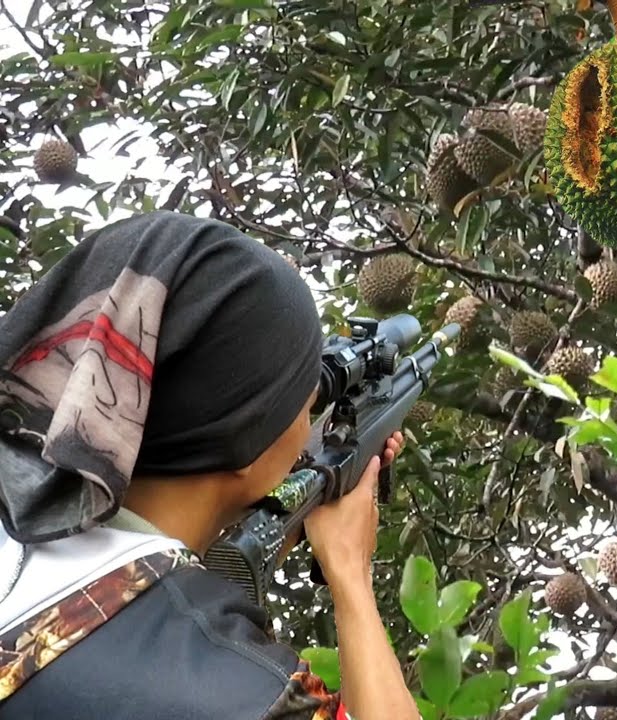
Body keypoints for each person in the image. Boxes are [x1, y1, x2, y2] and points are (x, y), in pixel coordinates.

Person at [0, 211, 420, 719]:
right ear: (248, 434)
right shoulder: (247, 692)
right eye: (303, 404)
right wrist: (349, 572)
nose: (308, 423)